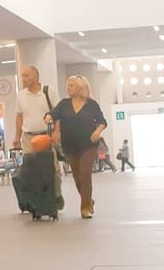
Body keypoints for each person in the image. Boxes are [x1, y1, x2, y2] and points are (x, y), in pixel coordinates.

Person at [47, 75, 107, 219]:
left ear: (81, 87)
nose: (68, 88)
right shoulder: (64, 104)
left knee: (85, 173)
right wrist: (48, 117)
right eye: (68, 86)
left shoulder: (91, 104)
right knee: (77, 177)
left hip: (88, 145)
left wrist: (98, 131)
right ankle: (88, 200)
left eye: (72, 85)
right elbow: (53, 114)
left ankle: (84, 208)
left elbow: (102, 121)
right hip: (70, 145)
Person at [13, 66, 52, 153]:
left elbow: (58, 113)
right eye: (22, 76)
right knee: (29, 164)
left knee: (48, 163)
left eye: (27, 76)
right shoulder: (20, 95)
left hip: (47, 135)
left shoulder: (49, 91)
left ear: (36, 77)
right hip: (28, 137)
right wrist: (17, 138)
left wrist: (57, 132)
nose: (24, 79)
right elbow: (19, 117)